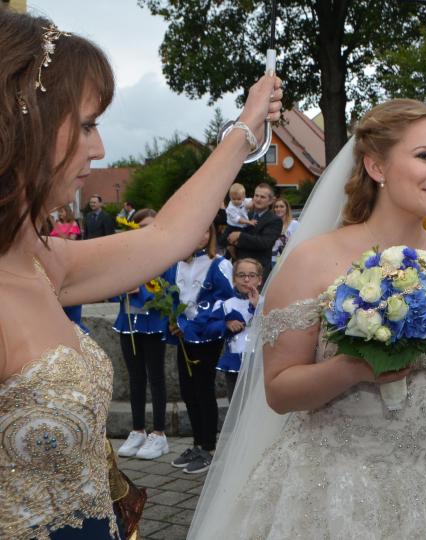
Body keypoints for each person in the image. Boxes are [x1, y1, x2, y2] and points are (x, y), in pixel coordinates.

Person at [188, 99, 426, 539]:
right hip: (333, 485)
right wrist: (356, 366)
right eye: (425, 156)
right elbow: (279, 392)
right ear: (376, 167)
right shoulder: (312, 261)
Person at [0, 9, 280, 539]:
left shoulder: (39, 261)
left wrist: (247, 127)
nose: (100, 148)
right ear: (21, 122)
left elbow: (165, 236)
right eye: (87, 124)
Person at [166, 225, 234, 475]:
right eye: (196, 230)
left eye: (206, 231)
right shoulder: (177, 264)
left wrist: (190, 324)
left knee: (204, 389)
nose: (201, 236)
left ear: (212, 235)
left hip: (206, 335)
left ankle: (208, 447)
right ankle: (196, 443)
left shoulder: (219, 264)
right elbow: (173, 298)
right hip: (184, 334)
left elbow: (224, 300)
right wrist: (173, 321)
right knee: (188, 390)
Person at [113, 209, 173, 461]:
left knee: (155, 377)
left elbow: (169, 292)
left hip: (154, 324)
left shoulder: (166, 256)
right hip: (128, 323)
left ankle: (159, 433)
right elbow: (111, 287)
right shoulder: (125, 255)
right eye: (140, 226)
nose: (145, 231)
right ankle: (138, 430)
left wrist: (141, 291)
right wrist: (121, 289)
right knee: (135, 378)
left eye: (150, 226)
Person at [216, 258, 262, 400]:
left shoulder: (267, 303)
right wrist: (226, 324)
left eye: (252, 275)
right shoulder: (225, 305)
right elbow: (209, 327)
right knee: (235, 402)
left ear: (259, 280)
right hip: (235, 362)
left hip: (260, 364)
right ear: (234, 280)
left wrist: (257, 308)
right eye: (241, 275)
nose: (246, 279)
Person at [225, 183, 281, 274]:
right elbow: (230, 233)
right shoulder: (245, 215)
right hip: (238, 268)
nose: (258, 199)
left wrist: (240, 235)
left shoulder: (274, 220)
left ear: (271, 201)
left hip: (257, 271)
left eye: (262, 197)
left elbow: (264, 242)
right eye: (256, 195)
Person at [223, 183, 254, 260]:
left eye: (239, 199)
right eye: (233, 199)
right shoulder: (231, 208)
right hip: (233, 227)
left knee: (240, 243)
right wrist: (249, 222)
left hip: (242, 226)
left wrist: (249, 205)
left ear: (243, 197)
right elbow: (239, 220)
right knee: (231, 242)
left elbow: (253, 200)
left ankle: (235, 255)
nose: (236, 201)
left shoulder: (245, 201)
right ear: (230, 197)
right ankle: (228, 257)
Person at [270, 197, 299, 265]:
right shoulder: (270, 225)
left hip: (290, 259)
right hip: (273, 260)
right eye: (276, 207)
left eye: (281, 206)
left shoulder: (294, 224)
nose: (278, 209)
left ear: (287, 208)